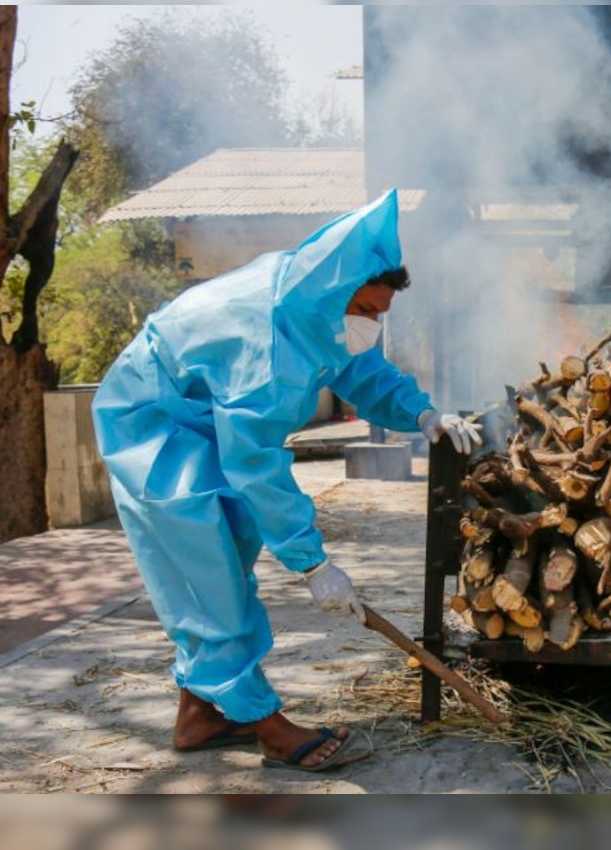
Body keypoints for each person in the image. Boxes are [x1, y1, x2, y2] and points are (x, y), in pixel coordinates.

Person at [92, 189, 482, 773]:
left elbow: (361, 370)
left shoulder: (313, 307)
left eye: (381, 314)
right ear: (339, 297)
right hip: (153, 422)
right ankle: (268, 726)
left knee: (230, 552)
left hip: (199, 418)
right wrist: (313, 565)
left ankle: (197, 718)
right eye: (370, 312)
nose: (374, 325)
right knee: (207, 570)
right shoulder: (268, 344)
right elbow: (256, 467)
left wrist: (422, 414)